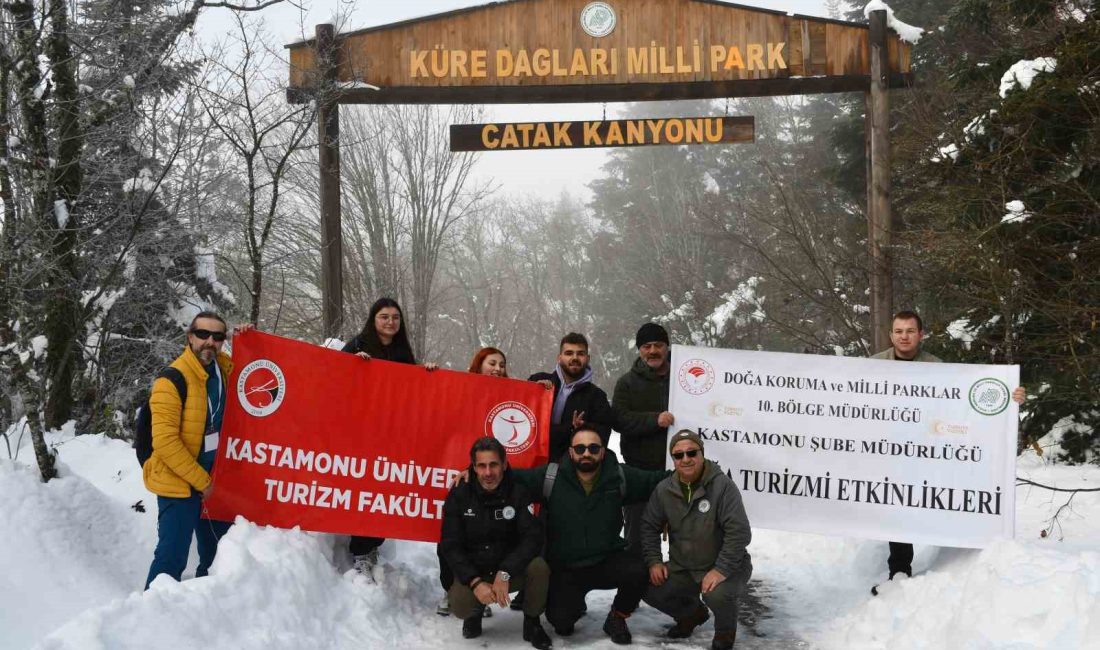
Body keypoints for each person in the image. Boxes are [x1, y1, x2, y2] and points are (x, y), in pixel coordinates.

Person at [870, 310, 1025, 594]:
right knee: (895, 507)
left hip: (927, 449)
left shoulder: (938, 367)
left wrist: (1009, 395)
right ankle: (899, 571)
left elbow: (964, 400)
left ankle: (958, 562)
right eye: (899, 331)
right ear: (891, 335)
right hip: (885, 450)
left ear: (921, 334)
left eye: (910, 331)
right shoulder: (872, 366)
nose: (904, 336)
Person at [511, 427, 667, 645]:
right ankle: (570, 606)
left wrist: (701, 472)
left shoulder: (618, 475)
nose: (587, 453)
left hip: (605, 560)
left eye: (593, 448)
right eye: (580, 448)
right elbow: (509, 477)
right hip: (566, 567)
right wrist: (471, 473)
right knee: (562, 624)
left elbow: (660, 481)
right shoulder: (551, 476)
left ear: (602, 452)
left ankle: (617, 618)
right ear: (571, 452)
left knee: (638, 570)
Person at [143, 312, 247, 589]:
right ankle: (150, 618)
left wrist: (248, 336)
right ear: (190, 337)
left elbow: (257, 368)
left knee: (218, 556)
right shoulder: (171, 380)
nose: (210, 342)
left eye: (218, 336)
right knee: (171, 559)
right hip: (179, 483)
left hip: (213, 480)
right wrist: (202, 482)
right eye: (203, 334)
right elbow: (164, 442)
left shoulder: (222, 370)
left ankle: (203, 611)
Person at [342, 297, 435, 576]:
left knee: (386, 493)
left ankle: (374, 545)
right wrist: (352, 364)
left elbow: (413, 389)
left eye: (395, 317)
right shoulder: (358, 345)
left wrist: (427, 374)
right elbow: (334, 376)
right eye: (384, 317)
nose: (390, 322)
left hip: (392, 436)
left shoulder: (402, 352)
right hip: (361, 435)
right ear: (373, 319)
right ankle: (359, 551)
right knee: (365, 493)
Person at [641, 430, 752, 650]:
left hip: (727, 567)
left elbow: (739, 532)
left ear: (702, 453)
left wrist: (720, 570)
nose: (686, 459)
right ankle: (692, 615)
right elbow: (648, 526)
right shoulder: (664, 489)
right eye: (678, 455)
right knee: (645, 586)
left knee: (717, 595)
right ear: (673, 459)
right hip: (684, 567)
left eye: (691, 452)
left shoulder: (723, 486)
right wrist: (654, 560)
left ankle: (725, 633)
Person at [439, 437, 553, 650]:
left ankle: (532, 621)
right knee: (461, 606)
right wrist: (474, 582)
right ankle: (474, 614)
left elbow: (533, 537)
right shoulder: (459, 493)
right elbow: (450, 544)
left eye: (493, 465)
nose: (488, 472)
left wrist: (506, 572)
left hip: (509, 572)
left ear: (504, 464)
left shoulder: (518, 492)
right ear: (473, 467)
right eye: (481, 466)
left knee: (539, 568)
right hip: (476, 571)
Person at [436, 346, 510, 616]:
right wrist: (430, 375)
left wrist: (542, 389)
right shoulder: (462, 390)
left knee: (490, 535)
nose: (498, 368)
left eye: (502, 364)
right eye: (492, 363)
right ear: (479, 364)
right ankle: (452, 589)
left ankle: (486, 590)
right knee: (451, 535)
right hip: (461, 474)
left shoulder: (510, 396)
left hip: (491, 476)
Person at [612, 322, 676, 553]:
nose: (652, 351)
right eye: (646, 346)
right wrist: (654, 420)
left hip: (679, 472)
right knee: (637, 541)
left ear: (667, 347)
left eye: (658, 345)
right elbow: (619, 420)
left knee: (685, 539)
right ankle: (632, 588)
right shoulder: (626, 383)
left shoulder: (683, 380)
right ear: (639, 349)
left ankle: (679, 588)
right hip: (638, 473)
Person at [528, 333, 616, 461]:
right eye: (569, 353)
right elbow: (520, 413)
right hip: (533, 461)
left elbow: (603, 437)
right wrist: (533, 393)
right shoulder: (538, 381)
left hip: (571, 467)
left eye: (580, 354)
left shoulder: (597, 396)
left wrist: (583, 428)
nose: (575, 358)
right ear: (559, 357)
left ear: (588, 358)